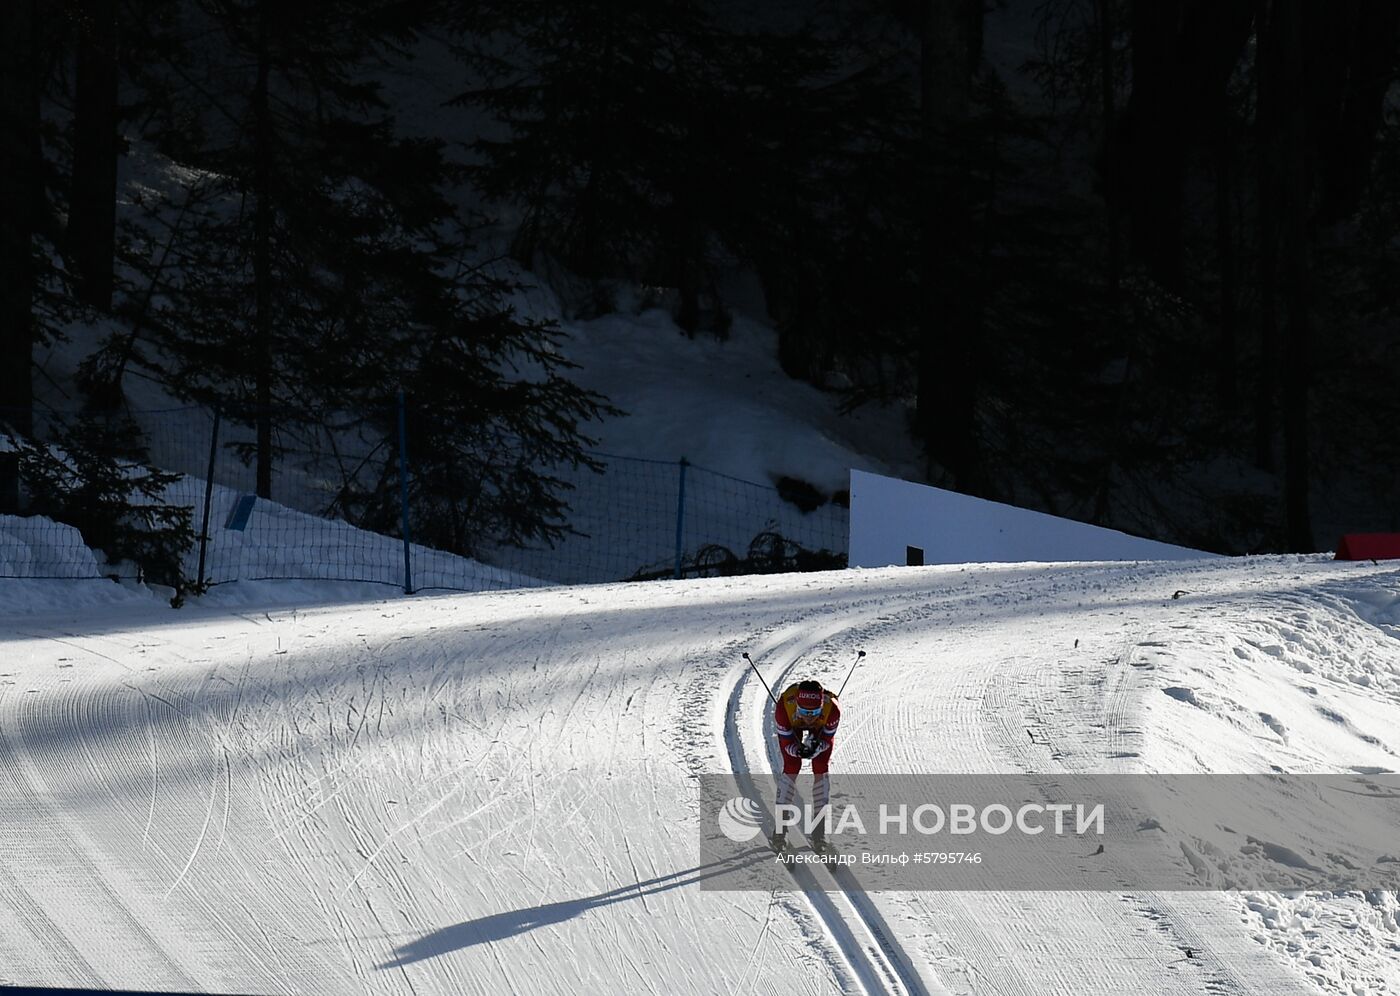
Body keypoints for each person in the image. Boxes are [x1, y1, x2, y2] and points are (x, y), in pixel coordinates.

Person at [770, 679, 840, 849]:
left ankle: (819, 830)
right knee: (792, 766)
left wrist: (816, 747)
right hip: (792, 724)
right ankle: (780, 830)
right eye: (804, 711)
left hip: (820, 728)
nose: (809, 717)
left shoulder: (833, 709)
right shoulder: (783, 708)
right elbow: (787, 744)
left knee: (821, 767)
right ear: (797, 706)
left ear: (822, 706)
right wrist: (799, 751)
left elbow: (827, 739)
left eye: (814, 712)